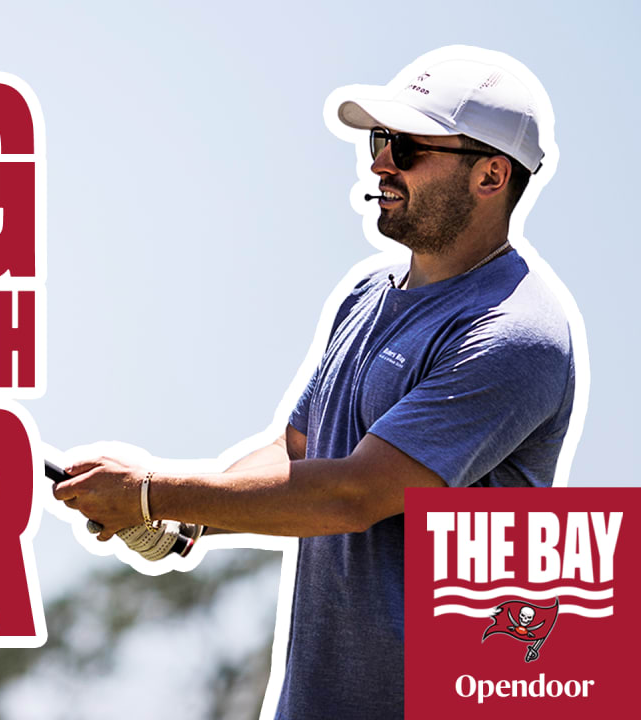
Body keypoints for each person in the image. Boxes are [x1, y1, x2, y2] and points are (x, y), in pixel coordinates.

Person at [52, 52, 576, 719]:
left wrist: (153, 493)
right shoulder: (366, 294)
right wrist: (182, 521)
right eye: (379, 141)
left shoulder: (517, 332)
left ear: (491, 175)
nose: (380, 162)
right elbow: (299, 450)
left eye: (407, 147)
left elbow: (356, 494)